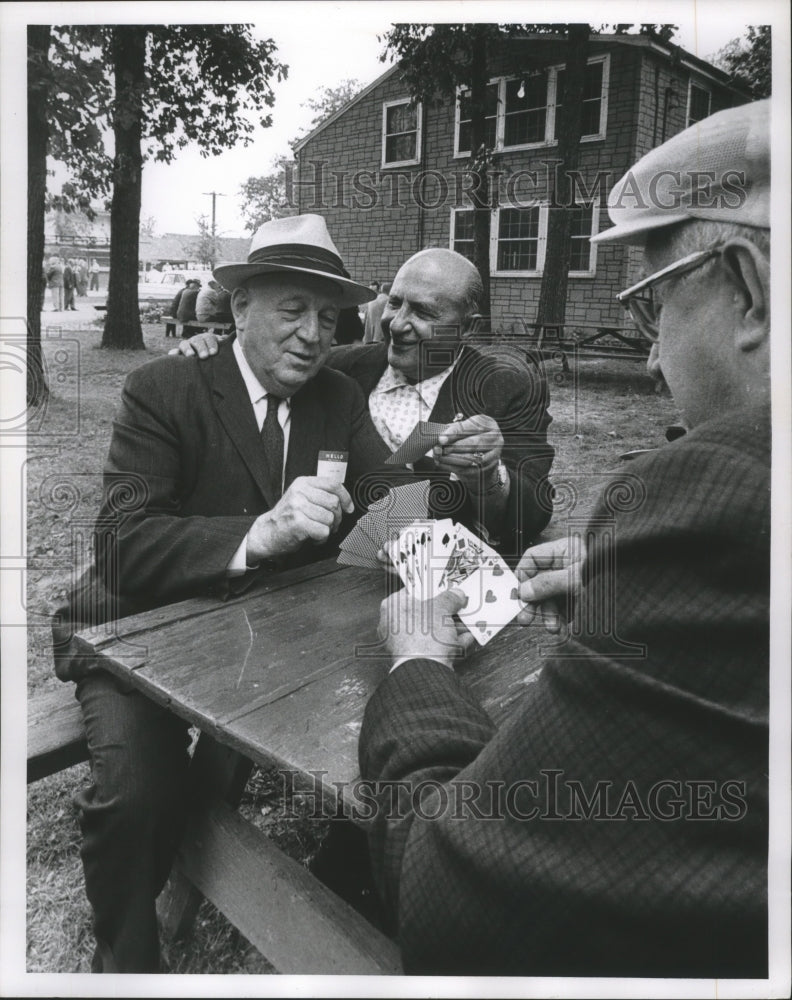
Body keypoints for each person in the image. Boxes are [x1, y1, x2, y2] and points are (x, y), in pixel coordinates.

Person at [358, 99, 772, 977]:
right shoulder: (339, 374)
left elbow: (451, 907)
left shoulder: (516, 392)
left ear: (751, 291)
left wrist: (420, 658)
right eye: (393, 303)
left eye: (654, 305)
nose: (653, 359)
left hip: (442, 640)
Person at [52, 214, 391, 973]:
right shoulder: (165, 386)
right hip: (134, 630)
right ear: (239, 310)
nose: (312, 334)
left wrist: (448, 489)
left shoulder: (336, 394)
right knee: (134, 796)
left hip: (251, 630)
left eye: (328, 317)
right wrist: (257, 536)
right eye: (292, 310)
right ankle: (126, 966)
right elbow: (122, 541)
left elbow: (390, 494)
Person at [178, 248, 555, 560]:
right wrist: (214, 350)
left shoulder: (506, 386)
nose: (394, 323)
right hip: (324, 578)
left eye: (423, 312)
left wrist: (491, 480)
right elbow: (271, 349)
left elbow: (532, 512)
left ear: (467, 328)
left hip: (443, 576)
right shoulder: (340, 369)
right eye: (393, 302)